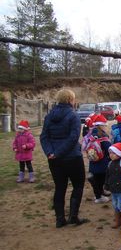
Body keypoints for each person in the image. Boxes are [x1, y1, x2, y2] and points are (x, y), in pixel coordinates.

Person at [40, 89, 88, 228]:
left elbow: (44, 137)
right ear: (69, 100)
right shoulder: (73, 116)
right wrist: (57, 153)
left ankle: (60, 219)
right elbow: (73, 138)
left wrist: (50, 152)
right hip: (72, 157)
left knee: (59, 187)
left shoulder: (49, 116)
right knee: (78, 185)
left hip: (54, 159)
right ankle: (73, 216)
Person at [104, 142, 121, 229]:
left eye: (113, 153)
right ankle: (118, 221)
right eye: (110, 153)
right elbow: (107, 175)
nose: (111, 155)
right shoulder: (110, 163)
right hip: (113, 189)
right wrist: (106, 185)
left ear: (119, 153)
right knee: (115, 205)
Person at [87, 114, 112, 204]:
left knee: (97, 178)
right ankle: (98, 197)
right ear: (101, 125)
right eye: (104, 125)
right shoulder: (102, 135)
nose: (105, 127)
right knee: (100, 179)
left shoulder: (91, 133)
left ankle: (100, 192)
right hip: (102, 161)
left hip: (93, 159)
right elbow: (108, 148)